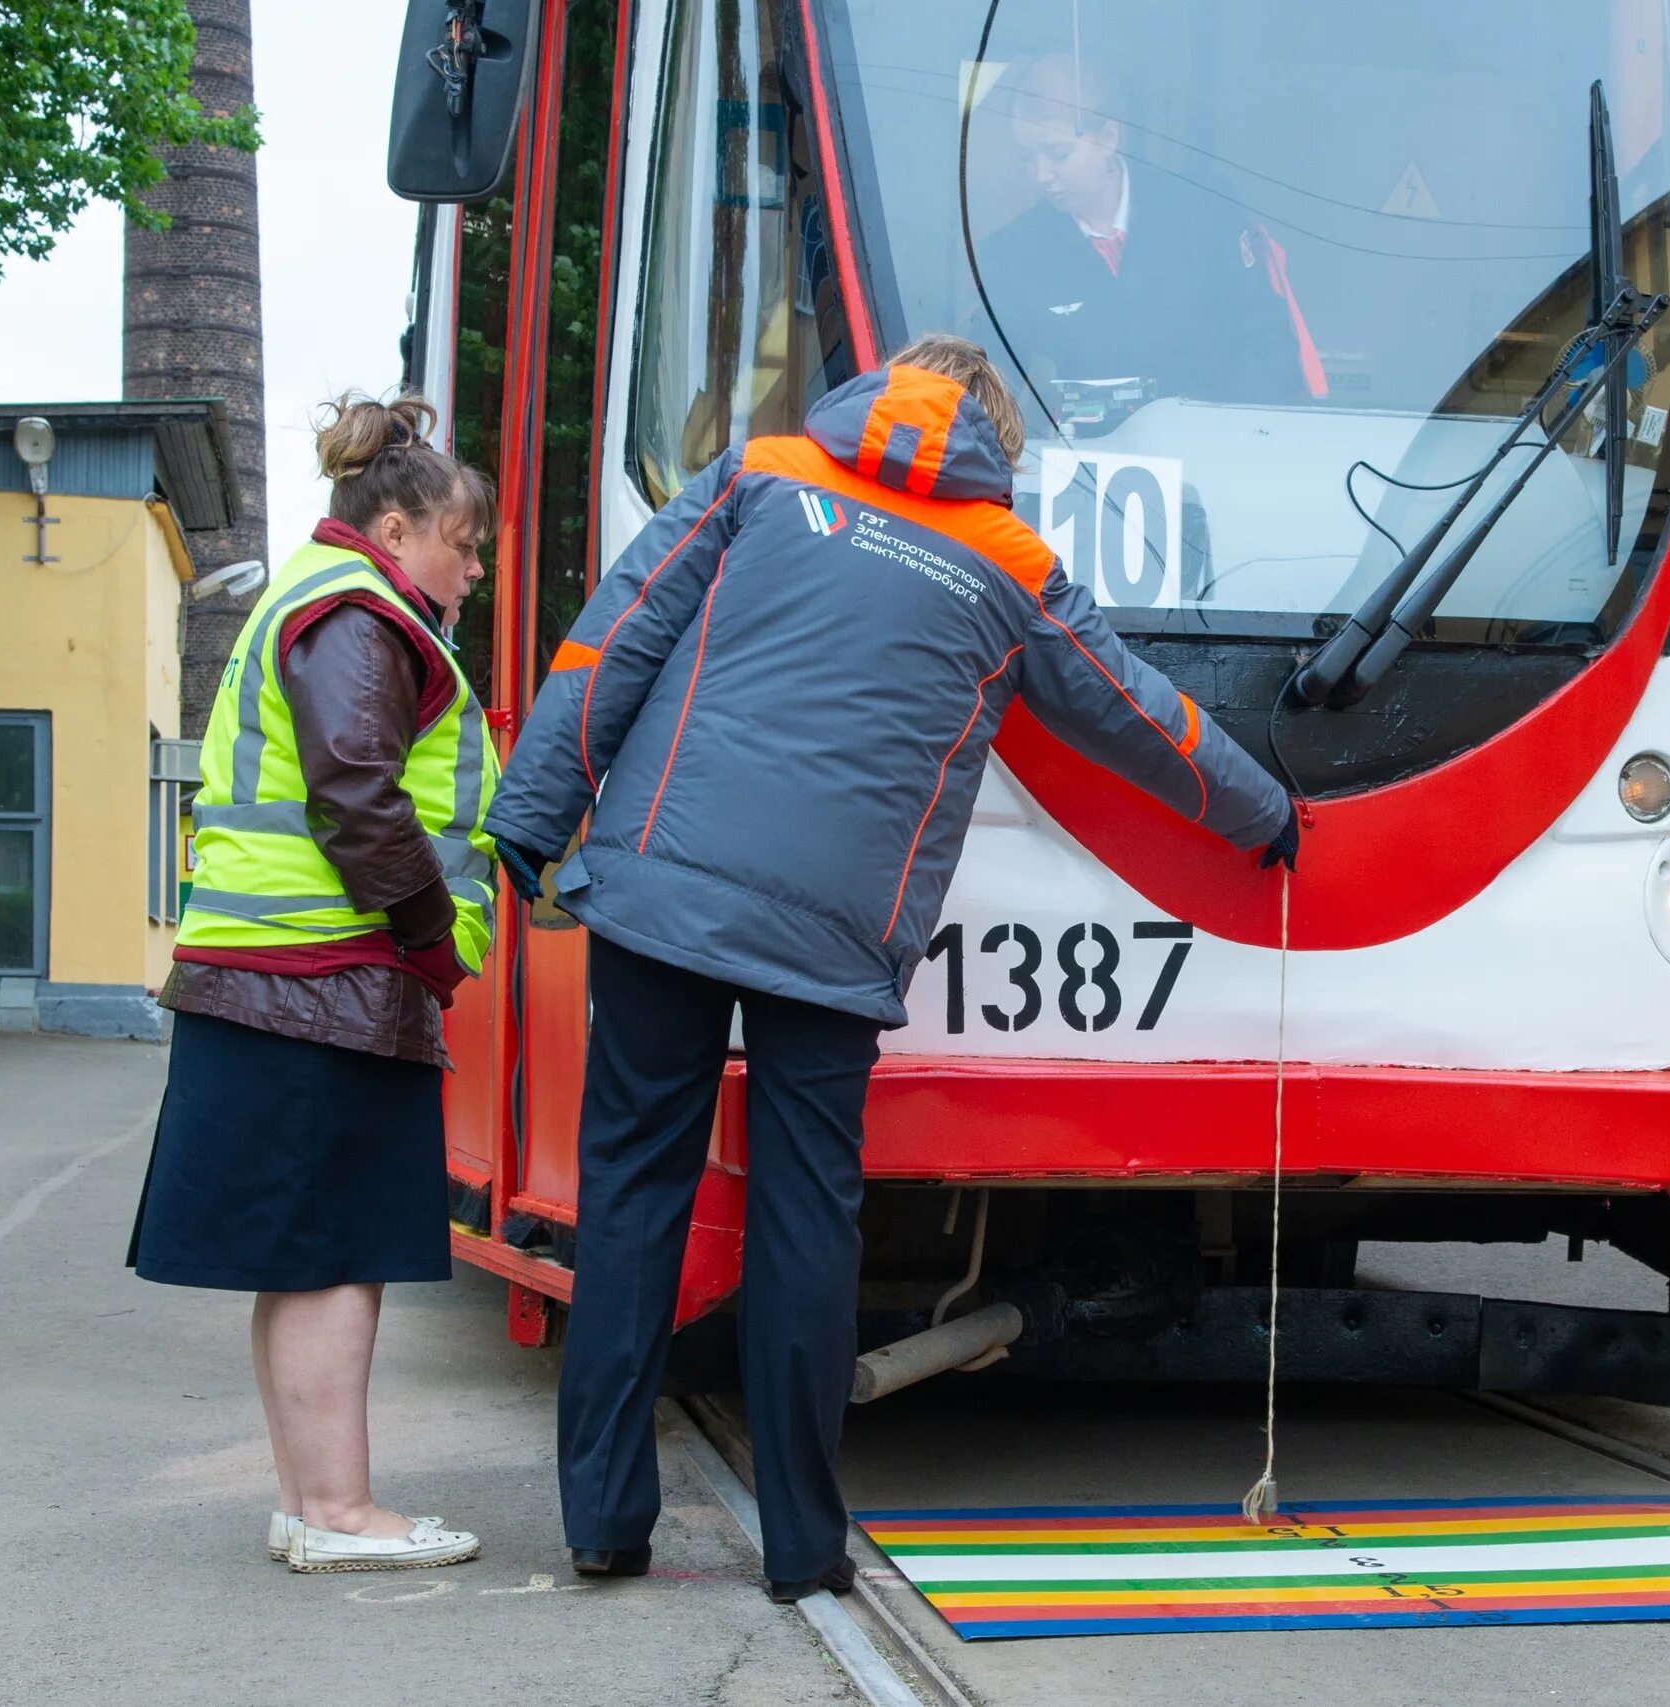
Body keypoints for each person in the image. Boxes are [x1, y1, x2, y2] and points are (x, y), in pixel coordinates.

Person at [485, 335, 1299, 1599]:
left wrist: (531, 819)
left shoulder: (759, 475)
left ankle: (604, 1520)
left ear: (880, 393)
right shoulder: (1007, 561)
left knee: (634, 1194)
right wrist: (1263, 814)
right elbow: (1131, 711)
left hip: (660, 887)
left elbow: (614, 642)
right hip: (832, 927)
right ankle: (804, 1546)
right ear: (995, 445)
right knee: (808, 1220)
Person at [129, 394, 502, 1575]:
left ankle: (311, 1504)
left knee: (304, 1255)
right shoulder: (361, 615)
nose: (476, 567)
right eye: (465, 542)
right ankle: (340, 1513)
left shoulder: (317, 597)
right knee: (340, 1252)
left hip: (272, 977)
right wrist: (435, 943)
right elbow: (356, 788)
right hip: (329, 981)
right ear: (396, 530)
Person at [975, 54, 1321, 408]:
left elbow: (1271, 351)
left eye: (1058, 154)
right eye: (1027, 158)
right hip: (1086, 456)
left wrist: (1209, 421)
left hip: (1214, 446)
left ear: (1108, 138)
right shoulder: (1014, 253)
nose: (1041, 174)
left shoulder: (1204, 215)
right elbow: (988, 384)